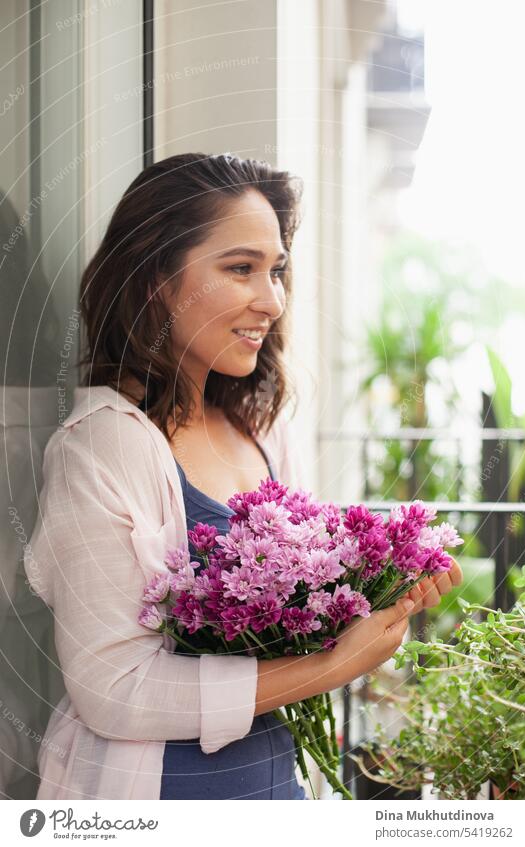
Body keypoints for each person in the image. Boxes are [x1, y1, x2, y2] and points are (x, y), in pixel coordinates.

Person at [25, 152, 462, 800]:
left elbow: (304, 618)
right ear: (156, 279)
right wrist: (330, 665)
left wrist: (385, 593)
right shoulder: (102, 446)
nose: (271, 299)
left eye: (276, 270)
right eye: (240, 268)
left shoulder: (263, 430)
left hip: (274, 792)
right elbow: (112, 690)